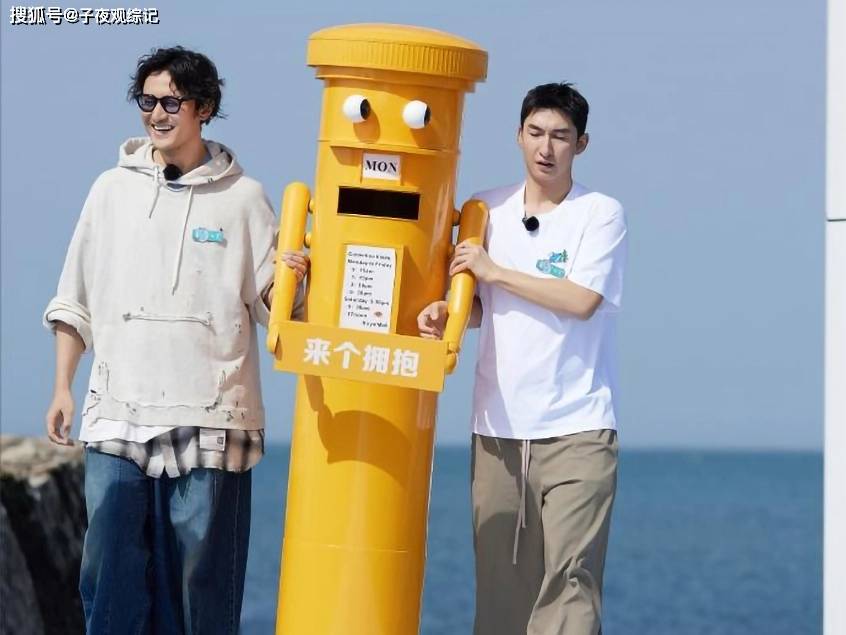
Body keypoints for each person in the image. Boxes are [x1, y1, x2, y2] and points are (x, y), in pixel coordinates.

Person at [43, 46, 307, 634]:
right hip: (117, 411)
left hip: (213, 414)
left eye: (171, 102)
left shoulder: (245, 198)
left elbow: (275, 307)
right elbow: (73, 297)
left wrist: (295, 278)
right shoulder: (110, 190)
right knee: (108, 575)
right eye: (147, 100)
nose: (156, 114)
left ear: (204, 108)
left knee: (200, 586)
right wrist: (63, 386)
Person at [418, 82, 627, 635]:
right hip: (498, 432)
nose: (546, 147)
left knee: (570, 581)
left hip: (578, 430)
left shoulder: (600, 213)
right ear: (518, 135)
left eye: (560, 136)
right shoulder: (486, 209)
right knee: (501, 596)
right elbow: (479, 304)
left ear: (581, 144)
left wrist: (496, 272)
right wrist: (447, 312)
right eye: (536, 133)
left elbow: (581, 300)